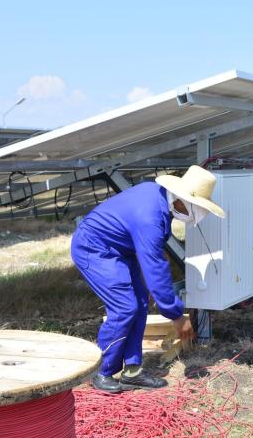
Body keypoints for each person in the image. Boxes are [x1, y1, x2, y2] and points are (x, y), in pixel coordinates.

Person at [71, 165, 225, 393]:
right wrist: (176, 315)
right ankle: (101, 372)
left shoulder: (159, 199)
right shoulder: (150, 216)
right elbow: (155, 267)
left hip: (120, 250)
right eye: (199, 207)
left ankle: (132, 371)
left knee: (140, 303)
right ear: (183, 199)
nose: (199, 214)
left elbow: (153, 258)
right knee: (124, 307)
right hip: (94, 248)